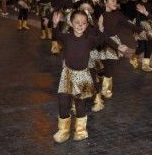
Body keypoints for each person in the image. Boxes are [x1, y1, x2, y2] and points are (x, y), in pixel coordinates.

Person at [51, 10, 127, 143]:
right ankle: (63, 130)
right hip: (67, 74)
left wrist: (107, 35)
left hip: (82, 76)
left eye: (84, 23)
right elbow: (56, 35)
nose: (80, 25)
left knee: (80, 104)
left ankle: (80, 130)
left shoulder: (89, 40)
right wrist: (55, 24)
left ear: (87, 25)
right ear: (71, 23)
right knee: (63, 102)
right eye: (77, 22)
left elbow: (104, 39)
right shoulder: (67, 37)